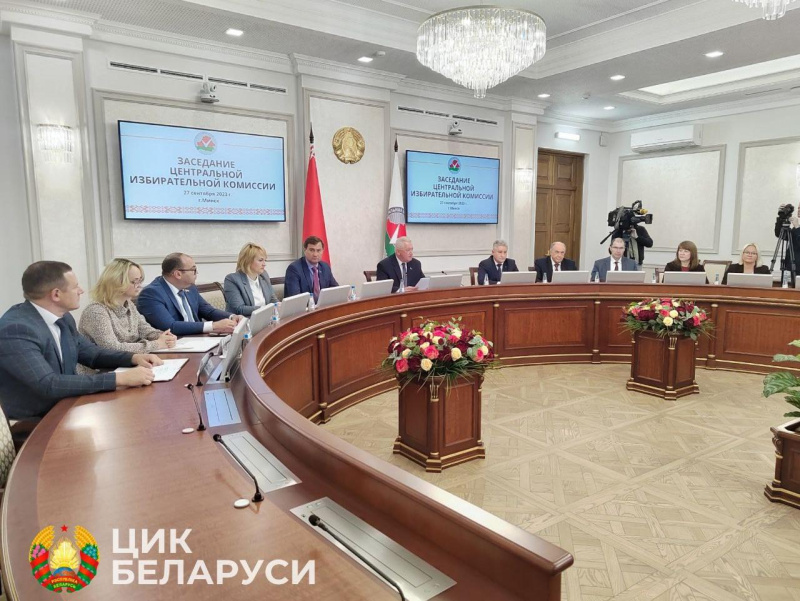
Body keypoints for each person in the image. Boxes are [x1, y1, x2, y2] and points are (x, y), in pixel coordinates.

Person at [0, 261, 162, 423]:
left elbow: (92, 353)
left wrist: (133, 358)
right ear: (56, 294)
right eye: (75, 287)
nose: (81, 291)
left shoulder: (64, 318)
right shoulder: (16, 329)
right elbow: (48, 384)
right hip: (35, 420)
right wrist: (118, 379)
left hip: (68, 405)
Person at [79, 259, 177, 362]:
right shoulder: (96, 311)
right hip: (102, 370)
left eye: (140, 280)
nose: (139, 285)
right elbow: (111, 349)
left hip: (126, 364)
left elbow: (145, 330)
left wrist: (164, 337)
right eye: (134, 281)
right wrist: (156, 344)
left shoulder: (129, 304)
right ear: (116, 282)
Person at [138, 253, 240, 335]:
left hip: (198, 339)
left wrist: (232, 317)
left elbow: (209, 311)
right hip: (176, 344)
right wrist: (213, 326)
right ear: (178, 274)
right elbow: (170, 326)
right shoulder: (151, 294)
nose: (197, 273)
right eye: (193, 270)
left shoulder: (190, 287)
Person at [223, 243, 278, 316]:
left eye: (265, 260)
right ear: (248, 261)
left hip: (265, 319)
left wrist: (278, 305)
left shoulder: (264, 275)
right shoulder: (232, 280)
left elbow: (272, 298)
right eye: (260, 260)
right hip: (244, 320)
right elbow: (240, 309)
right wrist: (266, 309)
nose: (264, 264)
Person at [285, 236, 339, 301]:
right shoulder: (294, 269)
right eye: (311, 250)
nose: (315, 254)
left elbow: (336, 289)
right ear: (305, 250)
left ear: (322, 251)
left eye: (318, 250)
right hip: (304, 306)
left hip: (323, 306)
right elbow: (295, 298)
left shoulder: (325, 267)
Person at [775, 204, 800, 283]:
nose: (799, 210)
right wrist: (781, 218)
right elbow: (780, 234)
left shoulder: (797, 227)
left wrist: (797, 227)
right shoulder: (796, 228)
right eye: (798, 208)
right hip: (791, 266)